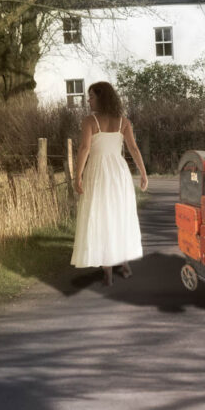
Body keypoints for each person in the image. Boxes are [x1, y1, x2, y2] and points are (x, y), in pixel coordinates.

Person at [71, 81, 149, 286]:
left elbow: (84, 149)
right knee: (119, 215)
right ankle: (123, 264)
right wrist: (143, 173)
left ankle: (107, 269)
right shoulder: (123, 121)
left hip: (98, 172)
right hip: (118, 172)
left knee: (102, 216)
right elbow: (133, 148)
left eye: (91, 97)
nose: (88, 100)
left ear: (101, 98)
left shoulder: (90, 121)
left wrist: (77, 175)